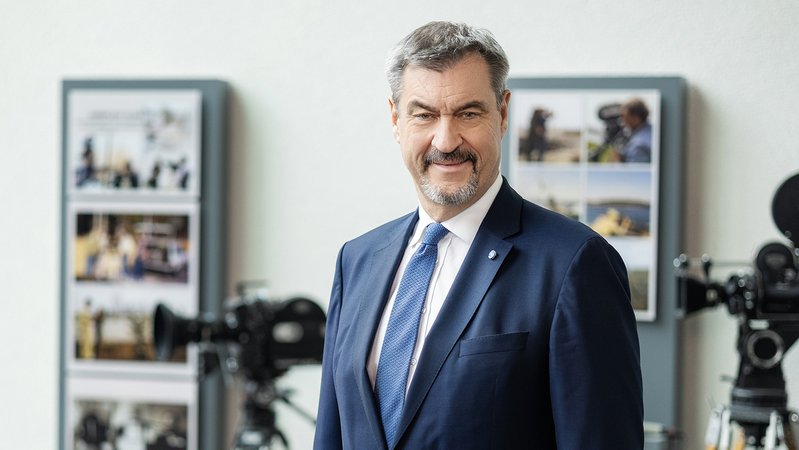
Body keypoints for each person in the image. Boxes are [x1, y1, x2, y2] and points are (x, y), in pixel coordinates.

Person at [314, 21, 643, 450]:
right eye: (424, 114)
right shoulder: (357, 260)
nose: (446, 140)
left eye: (468, 113)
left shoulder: (574, 263)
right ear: (396, 120)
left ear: (503, 113)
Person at [618, 98, 653, 163]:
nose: (622, 121)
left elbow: (633, 171)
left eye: (624, 116)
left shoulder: (638, 145)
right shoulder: (654, 132)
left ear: (636, 118)